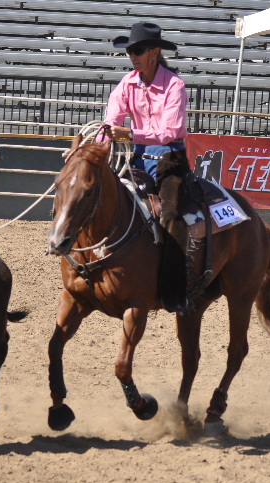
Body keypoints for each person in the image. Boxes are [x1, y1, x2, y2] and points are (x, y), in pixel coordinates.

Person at [100, 22, 196, 313]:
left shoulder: (175, 85)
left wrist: (130, 134)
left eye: (138, 50)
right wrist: (98, 148)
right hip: (139, 157)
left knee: (171, 213)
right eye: (130, 51)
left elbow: (170, 132)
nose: (132, 56)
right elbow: (110, 122)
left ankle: (174, 291)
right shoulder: (126, 84)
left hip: (170, 157)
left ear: (154, 52)